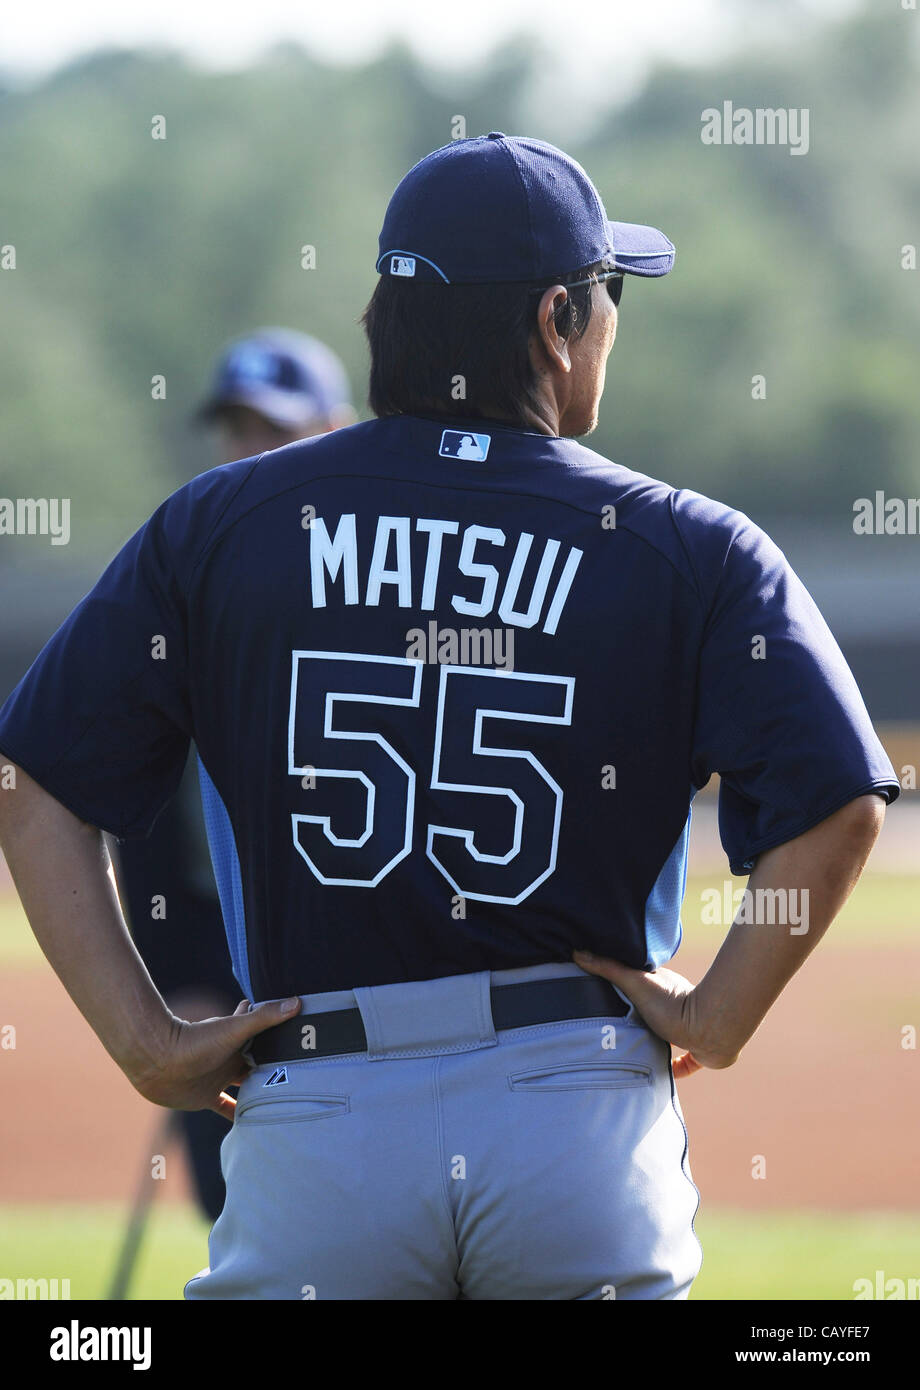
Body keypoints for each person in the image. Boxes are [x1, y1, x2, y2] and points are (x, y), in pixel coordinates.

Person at [0, 134, 898, 1300]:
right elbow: (838, 808)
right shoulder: (691, 545)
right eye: (608, 295)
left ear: (384, 322)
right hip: (572, 1104)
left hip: (319, 1100)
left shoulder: (216, 524)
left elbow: (34, 787)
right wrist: (718, 1013)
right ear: (554, 319)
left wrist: (140, 1035)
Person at [109, 328, 355, 1223]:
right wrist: (175, 983)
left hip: (365, 973)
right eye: (237, 430)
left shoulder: (385, 582)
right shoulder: (185, 587)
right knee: (242, 1228)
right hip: (219, 965)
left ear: (338, 428)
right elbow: (134, 804)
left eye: (274, 430)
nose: (250, 453)